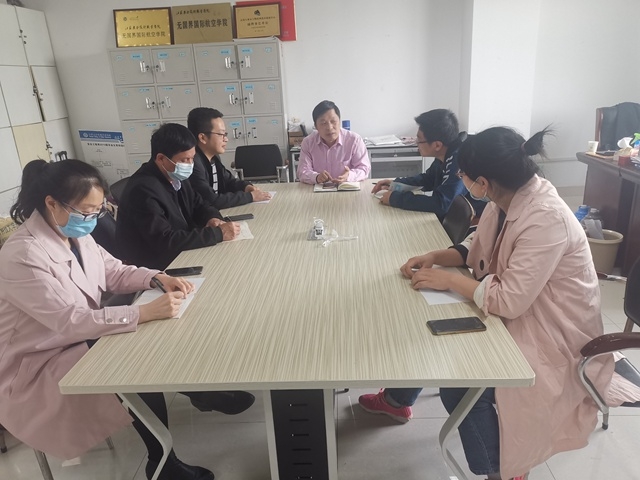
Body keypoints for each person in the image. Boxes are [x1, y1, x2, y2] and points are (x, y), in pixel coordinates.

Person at [360, 126, 638, 479]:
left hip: (555, 334)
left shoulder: (546, 218)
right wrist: (438, 256)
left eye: (463, 174)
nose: (460, 179)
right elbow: (480, 244)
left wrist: (452, 280)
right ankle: (398, 401)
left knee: (462, 384)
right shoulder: (505, 199)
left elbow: (509, 301)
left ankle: (504, 471)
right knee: (428, 328)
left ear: (483, 182)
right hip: (528, 311)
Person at [0, 159, 216, 479]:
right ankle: (164, 461)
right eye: (87, 211)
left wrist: (156, 278)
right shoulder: (23, 255)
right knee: (133, 361)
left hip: (72, 339)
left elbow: (113, 271)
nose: (92, 219)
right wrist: (142, 312)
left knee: (142, 342)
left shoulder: (73, 233)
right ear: (52, 203)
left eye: (98, 211)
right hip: (35, 365)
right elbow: (70, 321)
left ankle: (200, 395)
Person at [116, 123, 241, 271]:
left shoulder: (175, 176)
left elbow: (199, 204)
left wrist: (212, 218)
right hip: (157, 265)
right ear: (161, 158)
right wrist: (217, 234)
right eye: (184, 160)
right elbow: (165, 241)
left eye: (192, 158)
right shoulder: (143, 190)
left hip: (181, 251)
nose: (190, 164)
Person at [371, 109, 485, 219]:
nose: (416, 143)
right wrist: (397, 183)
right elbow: (428, 179)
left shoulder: (459, 160)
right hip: (451, 214)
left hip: (469, 220)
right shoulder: (446, 152)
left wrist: (396, 199)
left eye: (419, 140)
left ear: (437, 145)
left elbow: (442, 204)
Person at [187, 107, 272, 208]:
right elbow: (211, 200)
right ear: (203, 138)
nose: (226, 139)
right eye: (221, 134)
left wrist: (246, 187)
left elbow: (229, 181)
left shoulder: (213, 157)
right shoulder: (193, 163)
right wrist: (250, 196)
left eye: (225, 134)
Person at [297, 100, 370, 184]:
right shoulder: (308, 143)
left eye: (333, 121)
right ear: (316, 126)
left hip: (347, 188)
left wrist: (349, 176)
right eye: (323, 123)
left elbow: (364, 169)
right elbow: (302, 171)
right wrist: (316, 177)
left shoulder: (354, 140)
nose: (329, 127)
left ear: (339, 121)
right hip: (317, 189)